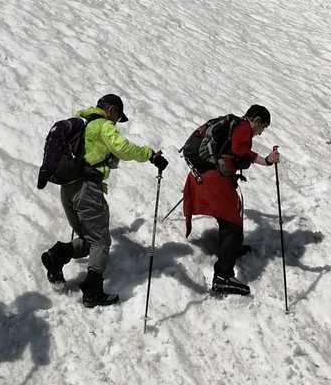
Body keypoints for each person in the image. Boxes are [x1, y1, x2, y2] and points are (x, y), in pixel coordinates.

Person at [40, 94, 167, 307]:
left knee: (89, 239)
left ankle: (56, 256)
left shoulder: (84, 124)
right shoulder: (103, 125)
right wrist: (150, 155)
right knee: (100, 241)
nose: (117, 122)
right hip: (88, 189)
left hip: (68, 188)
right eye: (118, 117)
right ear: (112, 110)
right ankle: (92, 292)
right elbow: (123, 148)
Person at [182, 105, 280, 297]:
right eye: (263, 127)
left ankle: (231, 249)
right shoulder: (243, 127)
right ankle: (223, 276)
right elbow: (239, 149)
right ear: (256, 120)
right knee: (231, 223)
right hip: (214, 179)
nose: (260, 133)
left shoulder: (233, 125)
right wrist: (266, 160)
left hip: (204, 175)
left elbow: (233, 152)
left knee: (232, 214)